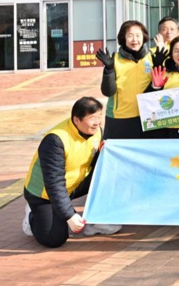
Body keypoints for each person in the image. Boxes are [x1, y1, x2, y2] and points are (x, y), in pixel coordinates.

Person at [22, 97, 121, 247]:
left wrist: (104, 154)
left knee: (110, 172)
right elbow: (54, 184)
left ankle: (96, 219)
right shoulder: (55, 140)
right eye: (92, 118)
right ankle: (31, 215)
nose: (97, 122)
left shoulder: (96, 132)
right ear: (76, 120)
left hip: (73, 185)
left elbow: (97, 165)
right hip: (45, 194)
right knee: (55, 239)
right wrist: (70, 215)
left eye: (99, 116)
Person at [96, 20, 154, 139]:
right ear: (124, 38)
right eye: (130, 36)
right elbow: (108, 92)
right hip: (120, 118)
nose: (134, 40)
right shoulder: (115, 59)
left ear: (144, 37)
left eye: (138, 35)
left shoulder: (152, 57)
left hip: (149, 116)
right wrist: (109, 69)